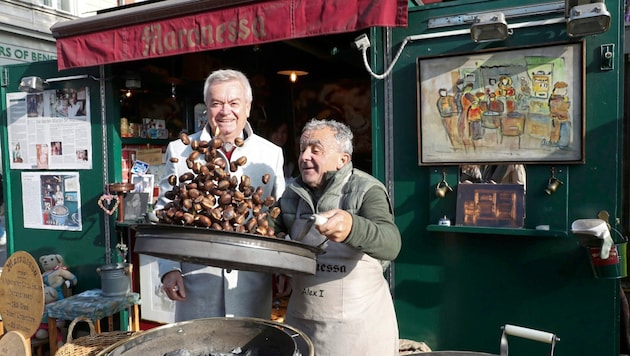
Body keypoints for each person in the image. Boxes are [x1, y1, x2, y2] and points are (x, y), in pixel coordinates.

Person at [156, 69, 286, 321]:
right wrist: (168, 269)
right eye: (216, 103)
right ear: (206, 107)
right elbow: (164, 216)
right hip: (196, 284)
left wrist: (284, 269)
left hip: (250, 284)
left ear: (248, 107)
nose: (225, 111)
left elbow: (279, 217)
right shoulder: (180, 151)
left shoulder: (270, 154)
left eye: (234, 103)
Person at [270, 119, 401, 355]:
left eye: (315, 150)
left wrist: (353, 227)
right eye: (302, 149)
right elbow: (265, 232)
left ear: (343, 159)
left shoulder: (368, 191)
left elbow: (390, 243)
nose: (304, 156)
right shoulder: (291, 195)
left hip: (359, 331)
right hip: (303, 324)